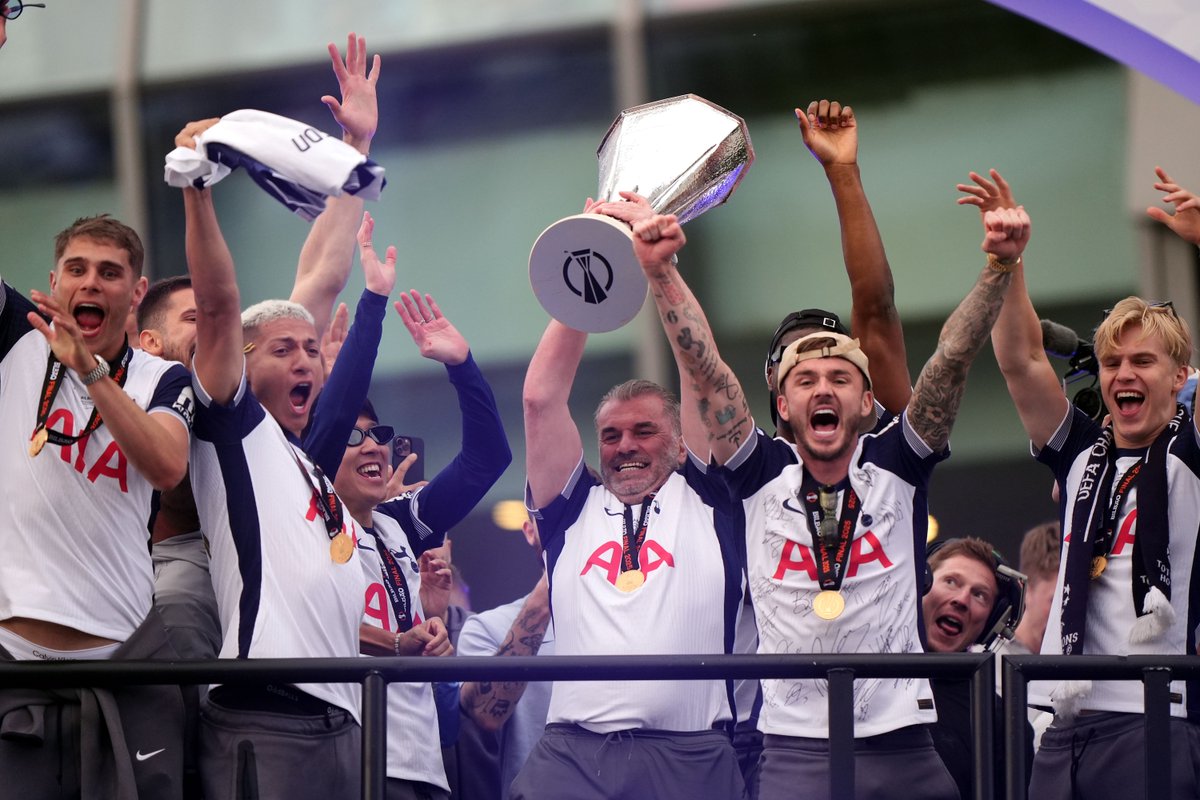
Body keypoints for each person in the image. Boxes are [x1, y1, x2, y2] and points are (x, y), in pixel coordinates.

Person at [630, 175, 1029, 799]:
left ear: (867, 401)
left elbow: (950, 360)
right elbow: (706, 371)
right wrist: (661, 270)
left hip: (905, 745)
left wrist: (998, 267)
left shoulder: (897, 463)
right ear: (782, 405)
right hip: (795, 751)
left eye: (841, 378)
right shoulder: (760, 472)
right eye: (806, 379)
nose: (823, 389)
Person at [979, 166, 1200, 799]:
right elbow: (1020, 359)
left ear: (1179, 373)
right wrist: (1008, 263)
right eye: (1111, 363)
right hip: (1063, 716)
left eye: (1142, 361)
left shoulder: (1190, 446)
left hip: (1155, 713)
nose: (1122, 374)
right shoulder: (1080, 449)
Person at [511, 211, 747, 800]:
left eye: (643, 431)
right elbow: (541, 398)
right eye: (611, 436)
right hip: (571, 754)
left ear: (675, 439)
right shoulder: (572, 512)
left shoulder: (708, 499)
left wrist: (658, 270)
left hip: (690, 754)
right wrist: (592, 253)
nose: (625, 447)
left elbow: (703, 381)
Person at [0, 210, 194, 799]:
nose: (90, 283)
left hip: (124, 670)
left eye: (110, 273)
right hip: (14, 669)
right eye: (76, 269)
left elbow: (166, 465)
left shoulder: (163, 377)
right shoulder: (17, 338)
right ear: (54, 281)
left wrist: (90, 370)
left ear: (136, 292)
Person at [333, 275, 512, 800]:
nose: (373, 448)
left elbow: (487, 460)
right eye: (351, 436)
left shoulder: (399, 521)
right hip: (348, 764)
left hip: (424, 766)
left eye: (379, 435)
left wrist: (462, 367)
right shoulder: (300, 517)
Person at [922, 537, 1030, 800]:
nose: (961, 600)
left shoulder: (1002, 721)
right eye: (951, 582)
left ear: (992, 622)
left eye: (979, 594)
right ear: (919, 585)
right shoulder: (861, 684)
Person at [458, 518, 554, 800]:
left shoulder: (639, 616)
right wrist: (560, 572)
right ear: (529, 530)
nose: (568, 525)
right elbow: (486, 715)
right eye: (553, 515)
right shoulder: (489, 627)